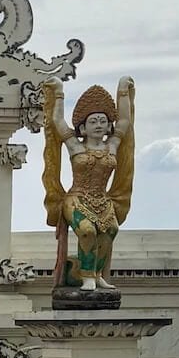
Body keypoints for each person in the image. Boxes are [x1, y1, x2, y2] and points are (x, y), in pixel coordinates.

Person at [42, 76, 136, 292]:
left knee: (110, 230)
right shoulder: (75, 146)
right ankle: (86, 277)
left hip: (103, 199)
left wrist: (123, 90)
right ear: (83, 128)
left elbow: (125, 121)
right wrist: (58, 92)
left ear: (109, 126)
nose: (98, 125)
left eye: (103, 121)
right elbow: (58, 122)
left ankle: (97, 274)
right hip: (76, 199)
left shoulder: (112, 145)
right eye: (93, 122)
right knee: (87, 231)